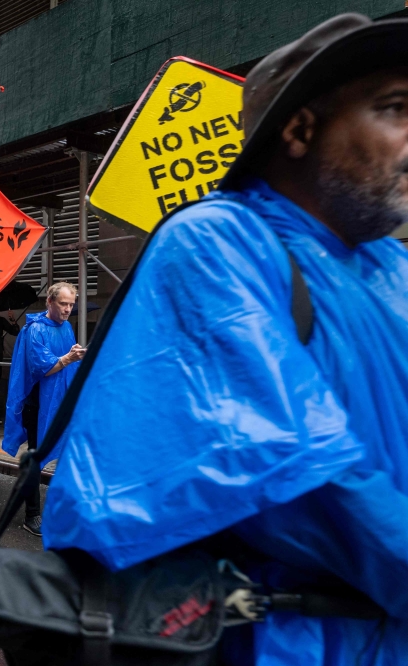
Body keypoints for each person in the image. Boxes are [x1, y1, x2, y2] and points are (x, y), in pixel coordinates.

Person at [44, 14, 408, 663]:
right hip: (286, 643)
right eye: (395, 109)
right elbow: (302, 470)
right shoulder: (217, 242)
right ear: (300, 128)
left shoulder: (389, 266)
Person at [2, 282, 84, 536]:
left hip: (59, 401)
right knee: (36, 459)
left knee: (67, 453)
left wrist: (74, 357)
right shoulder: (34, 329)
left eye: (71, 304)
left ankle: (62, 508)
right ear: (49, 302)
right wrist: (67, 359)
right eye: (63, 303)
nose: (68, 309)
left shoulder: (67, 327)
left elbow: (66, 364)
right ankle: (31, 515)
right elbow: (42, 367)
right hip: (36, 404)